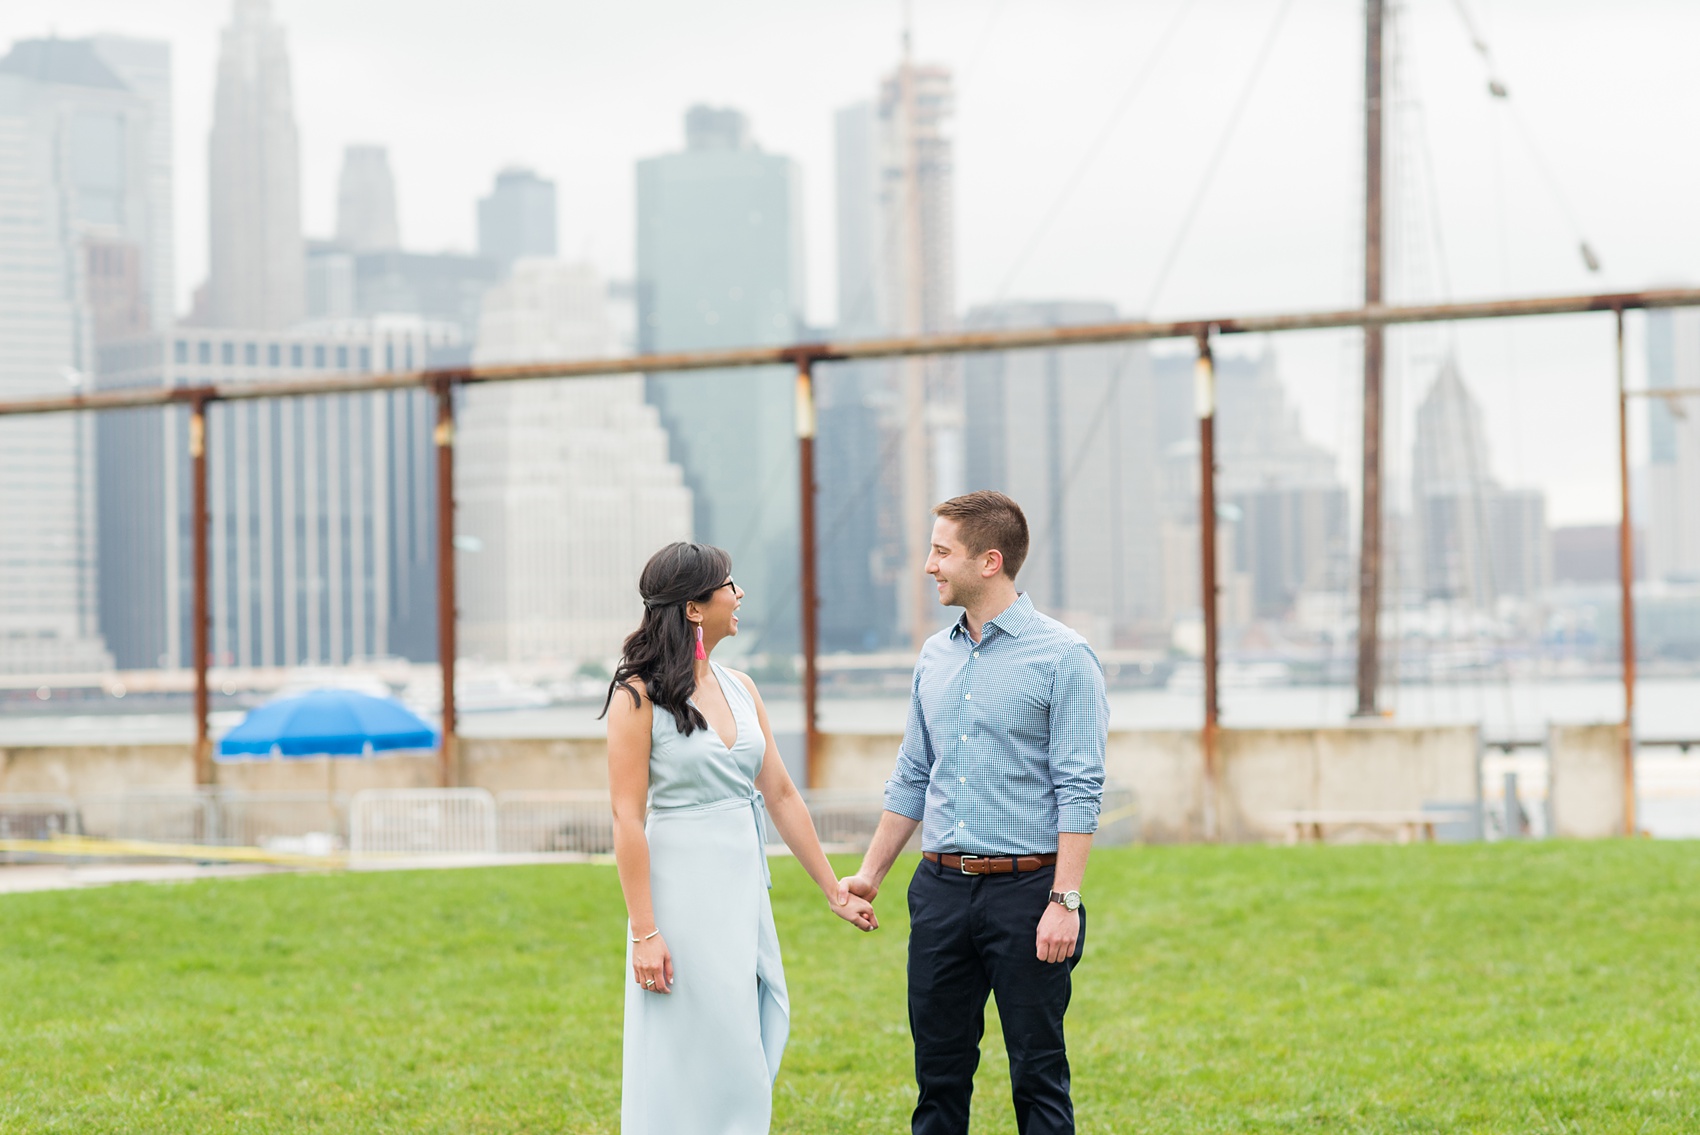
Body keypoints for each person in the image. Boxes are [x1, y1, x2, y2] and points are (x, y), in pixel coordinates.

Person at [842, 491, 1108, 1135]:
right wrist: (871, 874)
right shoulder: (935, 656)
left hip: (1028, 894)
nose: (929, 565)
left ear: (989, 562)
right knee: (938, 1078)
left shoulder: (1065, 658)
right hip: (938, 892)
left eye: (941, 551)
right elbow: (913, 772)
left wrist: (1063, 901)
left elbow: (1080, 790)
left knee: (1038, 1076)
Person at [603, 541, 876, 1135]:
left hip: (742, 888)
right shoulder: (637, 695)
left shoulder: (742, 686)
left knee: (745, 1041)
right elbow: (627, 818)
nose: (740, 593)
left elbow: (780, 794)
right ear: (696, 609)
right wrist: (645, 933)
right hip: (678, 897)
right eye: (729, 583)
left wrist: (834, 890)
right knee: (687, 1048)